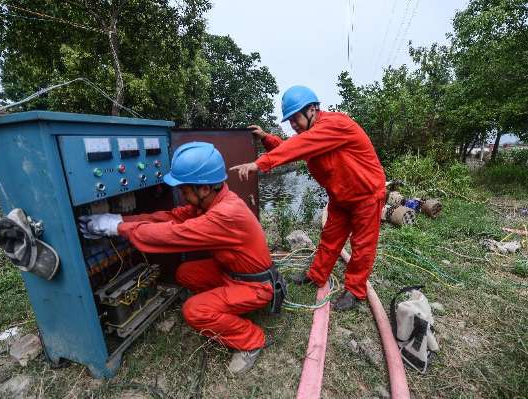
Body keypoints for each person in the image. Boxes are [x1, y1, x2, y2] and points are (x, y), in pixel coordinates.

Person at [79, 142, 284, 373]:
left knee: (193, 311)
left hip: (255, 286)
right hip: (233, 273)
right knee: (185, 273)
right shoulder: (211, 201)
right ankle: (222, 309)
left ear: (203, 189)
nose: (181, 195)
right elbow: (170, 218)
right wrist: (119, 220)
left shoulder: (226, 214)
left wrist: (117, 228)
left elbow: (173, 234)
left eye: (184, 189)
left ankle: (251, 340)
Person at [230, 86, 386, 311]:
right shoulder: (312, 136)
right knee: (330, 238)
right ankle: (317, 275)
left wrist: (259, 163)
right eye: (290, 121)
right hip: (340, 197)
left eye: (295, 118)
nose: (293, 125)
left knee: (362, 246)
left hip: (366, 195)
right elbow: (292, 148)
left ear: (312, 109)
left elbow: (299, 145)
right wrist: (266, 138)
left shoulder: (335, 124)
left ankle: (355, 291)